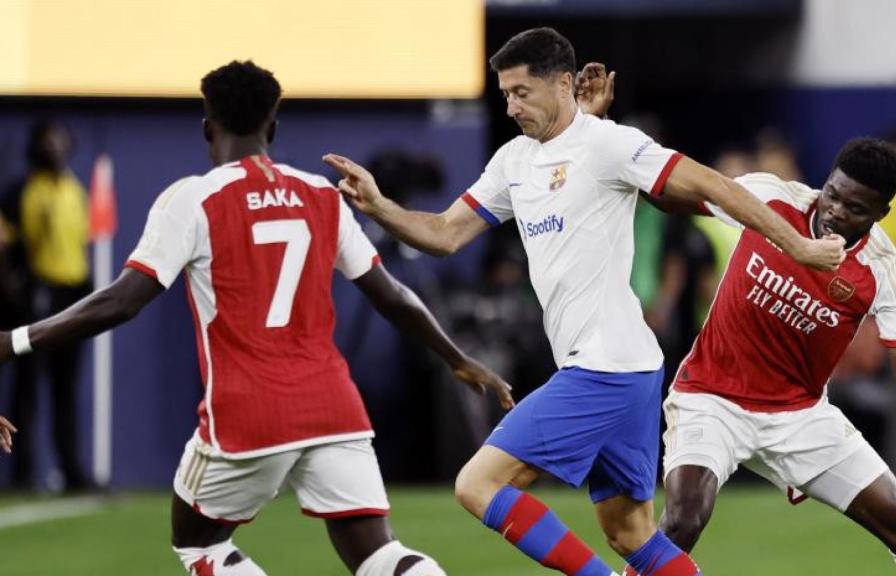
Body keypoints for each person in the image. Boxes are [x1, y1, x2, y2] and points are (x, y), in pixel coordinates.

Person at [324, 28, 845, 576]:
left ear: (565, 84)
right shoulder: (514, 161)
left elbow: (716, 186)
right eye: (504, 94)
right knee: (630, 533)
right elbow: (445, 233)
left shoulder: (609, 145)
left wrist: (801, 247)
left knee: (477, 484)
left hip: (607, 368)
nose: (511, 105)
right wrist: (380, 206)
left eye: (522, 92)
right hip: (625, 367)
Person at [0, 60, 513, 576]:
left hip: (248, 410)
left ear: (207, 127)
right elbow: (393, 295)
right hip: (332, 405)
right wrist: (457, 357)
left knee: (197, 542)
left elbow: (121, 300)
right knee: (379, 553)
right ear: (273, 127)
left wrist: (14, 340)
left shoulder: (192, 199)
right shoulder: (320, 194)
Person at [656, 138, 896, 576]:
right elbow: (677, 195)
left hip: (799, 417)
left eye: (856, 208)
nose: (836, 211)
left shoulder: (884, 271)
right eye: (833, 194)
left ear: (881, 214)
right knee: (683, 520)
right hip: (711, 397)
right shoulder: (771, 197)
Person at [0, 120, 93, 491]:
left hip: (73, 295)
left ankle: (72, 470)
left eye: (60, 139)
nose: (55, 147)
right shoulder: (21, 190)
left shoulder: (75, 187)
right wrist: (15, 293)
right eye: (47, 140)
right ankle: (23, 473)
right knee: (27, 388)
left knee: (66, 387)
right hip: (36, 296)